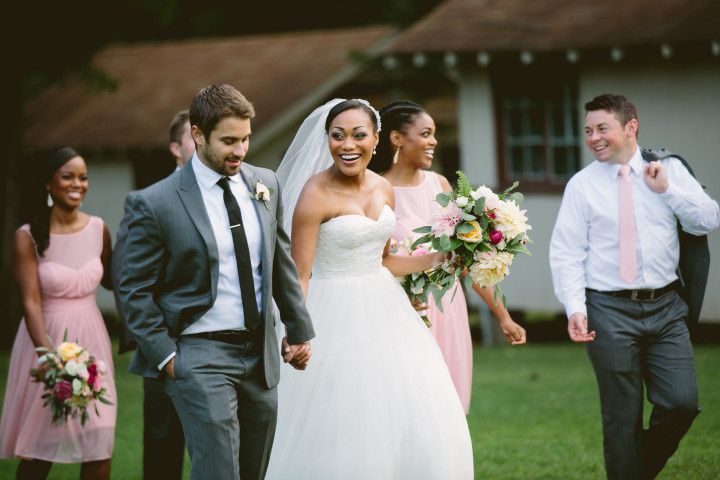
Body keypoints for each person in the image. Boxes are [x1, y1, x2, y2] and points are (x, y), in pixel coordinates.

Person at [265, 99, 473, 479]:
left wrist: (438, 260)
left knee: (412, 408)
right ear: (327, 140)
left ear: (376, 139)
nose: (348, 145)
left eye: (359, 135)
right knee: (342, 417)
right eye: (337, 136)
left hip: (386, 311)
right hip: (331, 313)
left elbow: (384, 261)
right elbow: (300, 274)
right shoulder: (314, 193)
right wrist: (297, 330)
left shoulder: (383, 188)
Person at [117, 83, 314, 480]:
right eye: (228, 141)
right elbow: (133, 290)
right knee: (219, 472)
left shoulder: (265, 184)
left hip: (260, 357)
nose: (240, 150)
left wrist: (298, 328)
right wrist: (169, 358)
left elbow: (280, 263)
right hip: (198, 357)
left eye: (245, 139)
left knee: (253, 471)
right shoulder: (156, 203)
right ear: (197, 135)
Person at [549, 93, 719, 479]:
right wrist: (575, 307)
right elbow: (566, 252)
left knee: (682, 403)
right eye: (588, 130)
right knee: (621, 417)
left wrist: (668, 191)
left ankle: (634, 470)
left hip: (666, 308)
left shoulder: (668, 169)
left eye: (602, 128)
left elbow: (708, 219)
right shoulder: (581, 185)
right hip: (607, 311)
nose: (594, 138)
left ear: (631, 127)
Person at [375, 100, 527, 413]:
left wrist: (503, 317)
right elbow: (377, 262)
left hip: (449, 310)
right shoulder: (378, 190)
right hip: (405, 310)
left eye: (434, 134)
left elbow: (467, 260)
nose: (433, 141)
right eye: (425, 133)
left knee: (449, 404)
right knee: (410, 402)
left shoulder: (440, 185)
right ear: (396, 138)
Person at [0, 147, 117, 480]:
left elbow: (115, 281)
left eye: (83, 177)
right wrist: (49, 356)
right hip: (47, 341)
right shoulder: (28, 236)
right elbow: (31, 302)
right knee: (43, 444)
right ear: (48, 184)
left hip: (93, 341)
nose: (77, 184)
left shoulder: (99, 229)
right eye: (67, 176)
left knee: (99, 439)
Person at [111, 109, 194, 479]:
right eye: (195, 136)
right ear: (176, 147)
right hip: (168, 342)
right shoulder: (147, 201)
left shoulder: (236, 193)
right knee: (164, 447)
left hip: (227, 345)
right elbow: (125, 274)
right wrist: (155, 346)